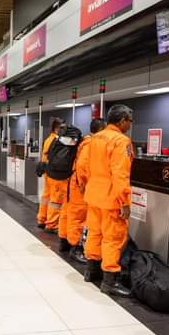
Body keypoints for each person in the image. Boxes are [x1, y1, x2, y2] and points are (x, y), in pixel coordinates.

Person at [78, 104, 133, 297]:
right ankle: (109, 280)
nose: (130, 125)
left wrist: (84, 184)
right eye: (130, 121)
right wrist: (124, 201)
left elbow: (82, 165)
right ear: (122, 121)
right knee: (113, 238)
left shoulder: (94, 138)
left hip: (93, 195)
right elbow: (120, 174)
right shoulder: (121, 141)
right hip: (111, 199)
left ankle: (91, 271)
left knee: (94, 233)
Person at [59, 119, 106, 262]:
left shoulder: (84, 141)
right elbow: (83, 165)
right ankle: (76, 247)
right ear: (100, 130)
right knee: (79, 216)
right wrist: (83, 184)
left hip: (73, 181)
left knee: (69, 212)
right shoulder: (90, 143)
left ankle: (64, 242)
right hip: (79, 185)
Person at [37, 118, 65, 232]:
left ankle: (42, 219)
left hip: (47, 171)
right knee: (55, 199)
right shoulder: (56, 140)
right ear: (57, 128)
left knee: (46, 196)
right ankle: (52, 224)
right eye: (62, 128)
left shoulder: (49, 139)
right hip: (53, 172)